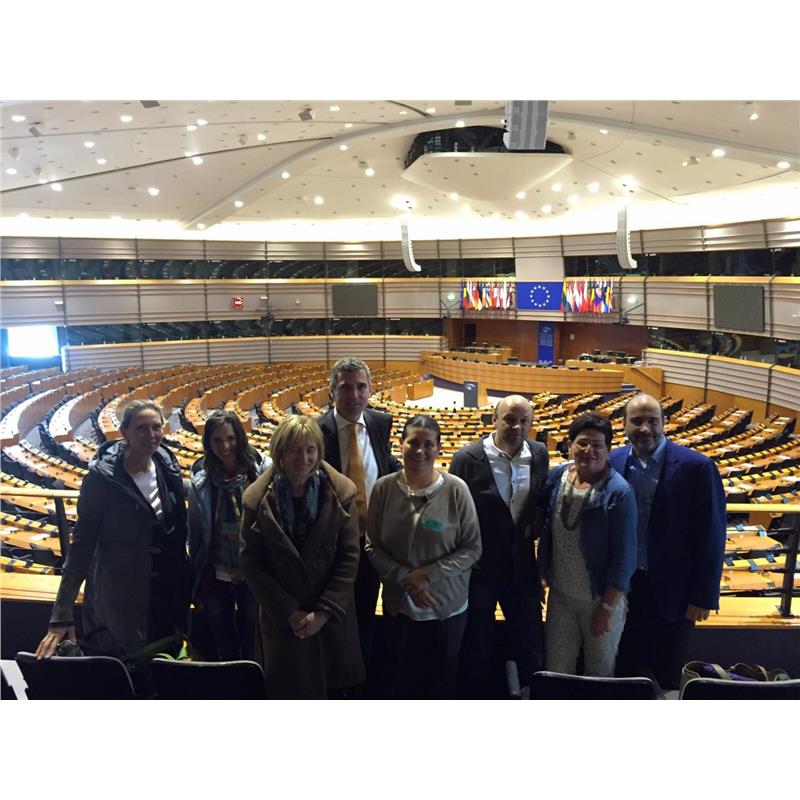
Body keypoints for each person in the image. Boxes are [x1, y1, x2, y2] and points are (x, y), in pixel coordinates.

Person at [35, 400, 189, 666]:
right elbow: (81, 547)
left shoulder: (166, 463)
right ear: (124, 431)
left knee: (164, 666)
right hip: (121, 595)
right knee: (127, 668)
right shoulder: (101, 480)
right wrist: (61, 614)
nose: (151, 435)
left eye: (156, 427)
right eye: (141, 428)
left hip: (166, 589)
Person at [240, 415, 364, 699]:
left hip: (329, 619)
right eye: (295, 450)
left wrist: (323, 613)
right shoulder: (256, 501)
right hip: (284, 621)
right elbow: (251, 563)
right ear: (279, 453)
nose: (304, 458)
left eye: (311, 450)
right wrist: (290, 611)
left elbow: (349, 558)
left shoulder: (341, 494)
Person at [609, 393, 726, 690]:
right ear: (623, 425)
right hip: (623, 587)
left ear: (664, 422)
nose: (645, 428)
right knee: (623, 671)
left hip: (674, 593)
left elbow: (712, 534)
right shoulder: (613, 461)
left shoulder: (697, 467)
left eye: (652, 421)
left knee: (666, 676)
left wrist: (703, 596)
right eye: (637, 421)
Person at [366, 415, 481, 699]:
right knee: (401, 682)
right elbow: (372, 546)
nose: (420, 451)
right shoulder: (383, 488)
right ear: (400, 444)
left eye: (429, 444)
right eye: (413, 442)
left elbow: (472, 548)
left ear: (439, 448)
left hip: (446, 610)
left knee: (440, 684)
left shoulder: (457, 489)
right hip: (398, 607)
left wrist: (427, 575)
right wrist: (407, 578)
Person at [449, 395, 549, 698]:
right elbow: (453, 514)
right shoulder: (467, 458)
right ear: (494, 420)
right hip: (480, 571)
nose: (517, 426)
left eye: (524, 421)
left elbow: (539, 505)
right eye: (509, 419)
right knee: (477, 645)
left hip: (522, 570)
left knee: (531, 646)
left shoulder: (539, 453)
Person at [316, 356, 402, 668]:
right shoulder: (316, 430)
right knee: (335, 611)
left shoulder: (380, 423)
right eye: (345, 387)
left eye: (361, 387)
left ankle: (362, 674)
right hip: (332, 543)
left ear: (370, 389)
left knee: (366, 608)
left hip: (373, 539)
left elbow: (384, 461)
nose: (354, 395)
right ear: (331, 391)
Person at [538, 412, 637, 677]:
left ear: (608, 449)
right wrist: (542, 573)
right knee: (557, 670)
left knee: (599, 673)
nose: (589, 451)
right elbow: (546, 527)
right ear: (570, 444)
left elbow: (625, 558)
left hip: (600, 600)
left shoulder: (619, 492)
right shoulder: (557, 477)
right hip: (561, 596)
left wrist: (607, 609)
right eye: (582, 443)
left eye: (597, 445)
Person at [187, 409, 270, 661]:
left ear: (240, 438)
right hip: (216, 571)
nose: (225, 446)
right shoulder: (201, 483)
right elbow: (197, 534)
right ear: (208, 443)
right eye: (217, 440)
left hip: (255, 569)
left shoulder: (262, 472)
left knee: (253, 632)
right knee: (222, 634)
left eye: (231, 438)